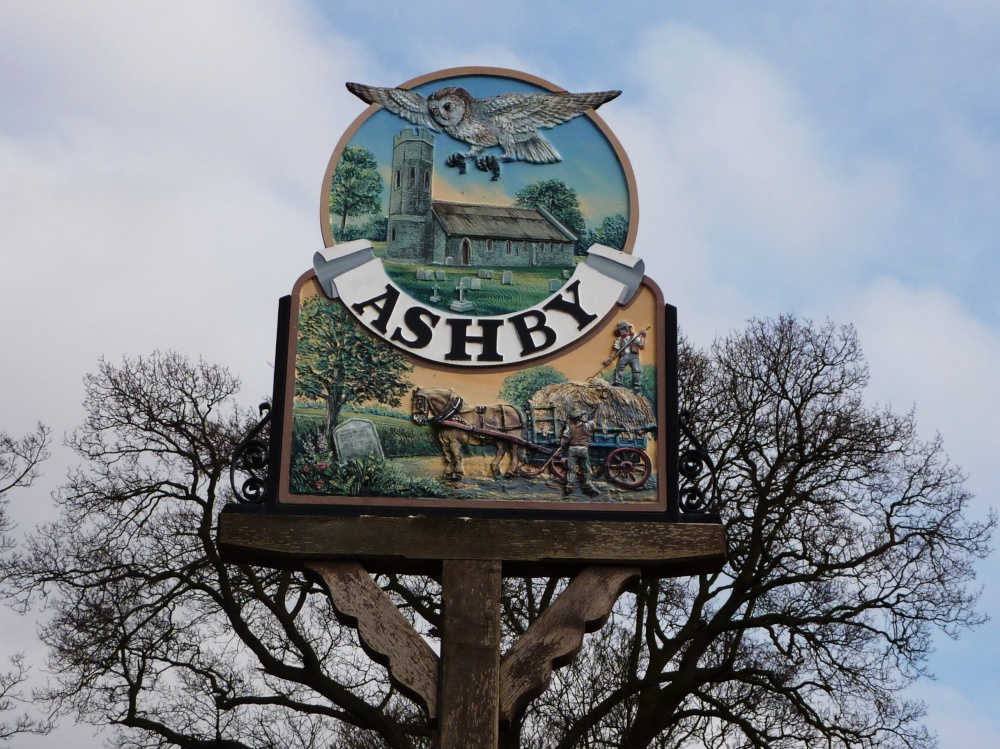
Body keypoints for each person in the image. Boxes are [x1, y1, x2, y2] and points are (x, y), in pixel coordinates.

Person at [560, 408, 600, 497]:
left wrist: (562, 446)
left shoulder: (569, 426)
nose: (585, 417)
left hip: (572, 449)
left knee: (571, 470)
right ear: (579, 418)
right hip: (583, 449)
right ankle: (587, 486)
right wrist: (597, 410)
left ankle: (569, 486)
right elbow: (595, 421)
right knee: (586, 469)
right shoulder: (586, 425)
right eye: (583, 416)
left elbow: (565, 439)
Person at [605, 320, 646, 393]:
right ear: (620, 330)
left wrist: (643, 336)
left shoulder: (634, 337)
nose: (627, 329)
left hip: (634, 356)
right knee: (619, 368)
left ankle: (636, 385)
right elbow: (615, 350)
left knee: (636, 370)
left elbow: (642, 346)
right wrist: (610, 359)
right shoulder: (619, 340)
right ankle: (617, 382)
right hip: (624, 356)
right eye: (624, 328)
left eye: (627, 328)